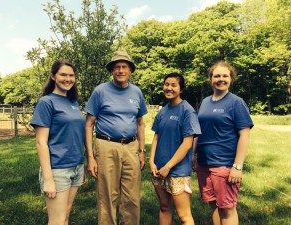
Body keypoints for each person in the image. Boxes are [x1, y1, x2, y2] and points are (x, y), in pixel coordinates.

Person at [84, 50, 148, 225]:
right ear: (112, 70)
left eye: (124, 67)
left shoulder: (136, 92)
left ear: (130, 71)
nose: (120, 70)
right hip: (106, 146)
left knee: (132, 198)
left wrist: (142, 151)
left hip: (131, 147)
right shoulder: (100, 91)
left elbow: (140, 123)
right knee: (107, 197)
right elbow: (89, 124)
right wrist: (90, 157)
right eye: (117, 67)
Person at [193, 61, 254, 225]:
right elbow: (199, 131)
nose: (221, 79)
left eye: (225, 76)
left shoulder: (236, 102)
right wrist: (193, 154)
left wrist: (237, 166)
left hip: (224, 164)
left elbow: (245, 135)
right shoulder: (205, 102)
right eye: (217, 75)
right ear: (210, 79)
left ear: (231, 79)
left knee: (227, 209)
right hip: (204, 163)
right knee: (214, 206)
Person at [31, 59, 85, 225]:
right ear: (53, 76)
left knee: (66, 216)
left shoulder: (73, 103)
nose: (68, 79)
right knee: (57, 221)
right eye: (63, 74)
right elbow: (41, 142)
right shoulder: (46, 102)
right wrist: (48, 179)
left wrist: (81, 167)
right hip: (57, 169)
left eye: (71, 75)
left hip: (76, 167)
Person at [149, 73, 201, 225]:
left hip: (177, 171)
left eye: (173, 85)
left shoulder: (187, 111)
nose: (169, 88)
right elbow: (156, 137)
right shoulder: (163, 111)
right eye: (166, 84)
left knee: (184, 216)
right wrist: (152, 162)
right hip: (158, 169)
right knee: (164, 208)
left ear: (181, 89)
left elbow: (187, 143)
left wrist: (169, 166)